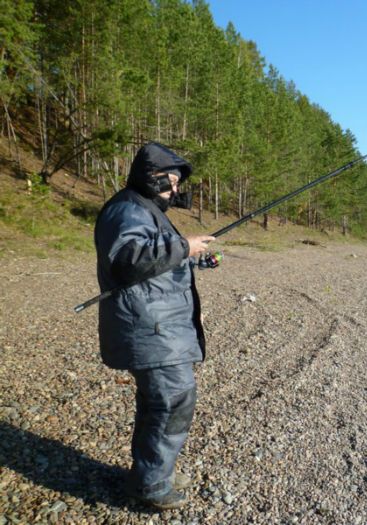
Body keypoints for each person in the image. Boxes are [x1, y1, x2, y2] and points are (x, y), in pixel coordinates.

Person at [94, 142, 215, 509]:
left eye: (178, 182)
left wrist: (194, 258)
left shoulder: (144, 209)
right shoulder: (127, 209)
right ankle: (150, 485)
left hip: (160, 325)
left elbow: (153, 259)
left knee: (160, 402)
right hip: (149, 327)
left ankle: (153, 471)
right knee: (171, 401)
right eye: (170, 180)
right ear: (151, 176)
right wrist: (184, 248)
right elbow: (127, 260)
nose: (175, 189)